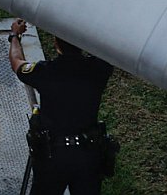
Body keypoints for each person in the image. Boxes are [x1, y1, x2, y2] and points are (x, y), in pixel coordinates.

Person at [9, 18, 114, 195]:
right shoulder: (99, 69)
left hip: (53, 157)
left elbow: (17, 61)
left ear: (56, 44)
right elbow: (109, 51)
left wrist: (15, 36)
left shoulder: (46, 72)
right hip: (88, 154)